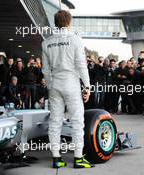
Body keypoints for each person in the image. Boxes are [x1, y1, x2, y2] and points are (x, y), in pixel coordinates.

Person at [42, 10, 94, 169]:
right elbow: (81, 65)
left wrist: (51, 86)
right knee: (77, 122)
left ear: (55, 23)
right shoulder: (76, 40)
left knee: (55, 122)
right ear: (69, 22)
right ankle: (78, 158)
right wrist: (87, 86)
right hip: (71, 84)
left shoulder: (46, 42)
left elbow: (45, 70)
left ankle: (56, 159)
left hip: (55, 85)